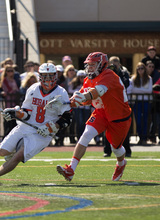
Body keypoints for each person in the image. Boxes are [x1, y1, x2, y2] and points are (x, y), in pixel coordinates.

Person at [0, 63, 72, 186]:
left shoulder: (61, 92)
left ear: (55, 76)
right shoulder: (33, 89)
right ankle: (15, 155)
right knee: (2, 152)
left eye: (50, 76)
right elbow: (26, 113)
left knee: (18, 155)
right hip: (25, 126)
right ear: (40, 76)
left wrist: (51, 127)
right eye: (44, 76)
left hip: (42, 133)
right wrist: (15, 113)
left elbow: (67, 118)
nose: (47, 79)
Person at [56, 52, 132, 182]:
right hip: (101, 112)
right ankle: (70, 170)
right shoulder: (88, 79)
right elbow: (85, 99)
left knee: (116, 147)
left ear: (102, 65)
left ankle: (121, 163)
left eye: (93, 65)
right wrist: (70, 101)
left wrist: (83, 97)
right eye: (88, 65)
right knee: (86, 135)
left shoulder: (109, 75)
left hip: (118, 115)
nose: (90, 67)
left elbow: (97, 92)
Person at [103, 56, 132, 157]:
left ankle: (127, 150)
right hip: (110, 104)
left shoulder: (124, 73)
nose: (114, 64)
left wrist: (116, 73)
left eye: (116, 62)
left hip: (121, 104)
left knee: (123, 128)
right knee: (108, 127)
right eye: (112, 63)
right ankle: (107, 150)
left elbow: (125, 84)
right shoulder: (106, 73)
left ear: (119, 64)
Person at [127, 62, 153, 145]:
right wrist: (142, 91)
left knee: (145, 120)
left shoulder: (149, 78)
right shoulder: (133, 79)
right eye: (139, 68)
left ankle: (144, 138)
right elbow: (132, 90)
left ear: (144, 69)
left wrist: (138, 90)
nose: (140, 70)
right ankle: (140, 136)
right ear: (136, 70)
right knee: (137, 120)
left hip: (146, 101)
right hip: (136, 102)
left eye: (142, 68)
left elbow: (149, 91)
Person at [0, 65, 21, 136]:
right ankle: (5, 136)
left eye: (11, 71)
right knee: (7, 121)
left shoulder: (14, 80)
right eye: (8, 71)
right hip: (8, 102)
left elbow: (17, 90)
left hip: (14, 102)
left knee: (14, 121)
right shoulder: (4, 80)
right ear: (6, 72)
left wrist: (14, 91)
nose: (10, 72)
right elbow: (7, 90)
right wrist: (13, 91)